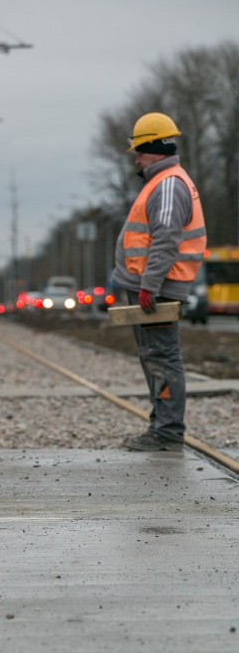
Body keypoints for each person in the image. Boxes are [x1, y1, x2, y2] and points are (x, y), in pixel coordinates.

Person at [112, 112, 207, 451]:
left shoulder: (167, 184)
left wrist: (150, 285)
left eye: (140, 150)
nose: (136, 158)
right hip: (153, 287)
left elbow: (166, 239)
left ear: (155, 148)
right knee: (154, 355)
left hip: (157, 290)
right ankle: (162, 426)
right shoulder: (164, 181)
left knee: (161, 357)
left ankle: (167, 433)